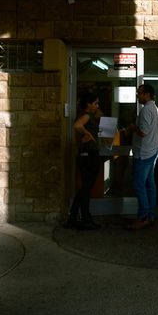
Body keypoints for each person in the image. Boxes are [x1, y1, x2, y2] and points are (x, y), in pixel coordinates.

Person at [125, 83, 158, 230]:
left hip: (143, 154)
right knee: (149, 185)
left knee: (139, 185)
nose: (137, 96)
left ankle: (143, 217)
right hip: (151, 152)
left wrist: (132, 127)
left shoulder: (146, 110)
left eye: (139, 93)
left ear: (147, 94)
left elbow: (143, 132)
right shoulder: (155, 109)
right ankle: (150, 216)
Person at [66, 92, 102, 230]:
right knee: (86, 188)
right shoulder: (86, 116)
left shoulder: (85, 115)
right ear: (89, 104)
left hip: (83, 154)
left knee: (85, 188)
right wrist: (88, 134)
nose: (97, 106)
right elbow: (77, 126)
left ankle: (74, 218)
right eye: (95, 103)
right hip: (89, 155)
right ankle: (84, 218)